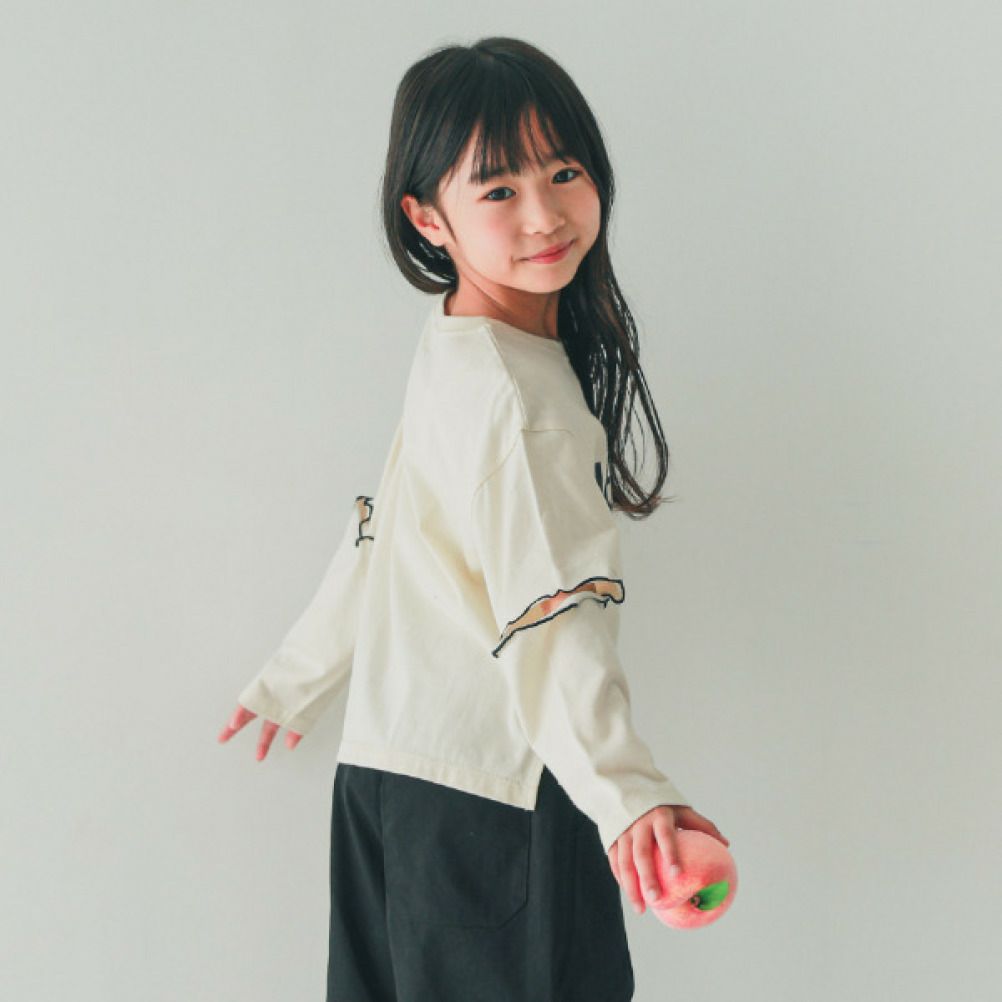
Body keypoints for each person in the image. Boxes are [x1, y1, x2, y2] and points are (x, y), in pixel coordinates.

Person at [218, 35, 730, 1002]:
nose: (545, 214)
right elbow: (550, 618)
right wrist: (629, 796)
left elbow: (392, 528)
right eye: (498, 188)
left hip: (388, 781)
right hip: (495, 801)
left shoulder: (459, 342)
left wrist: (300, 674)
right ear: (427, 216)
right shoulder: (517, 396)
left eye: (564, 172)